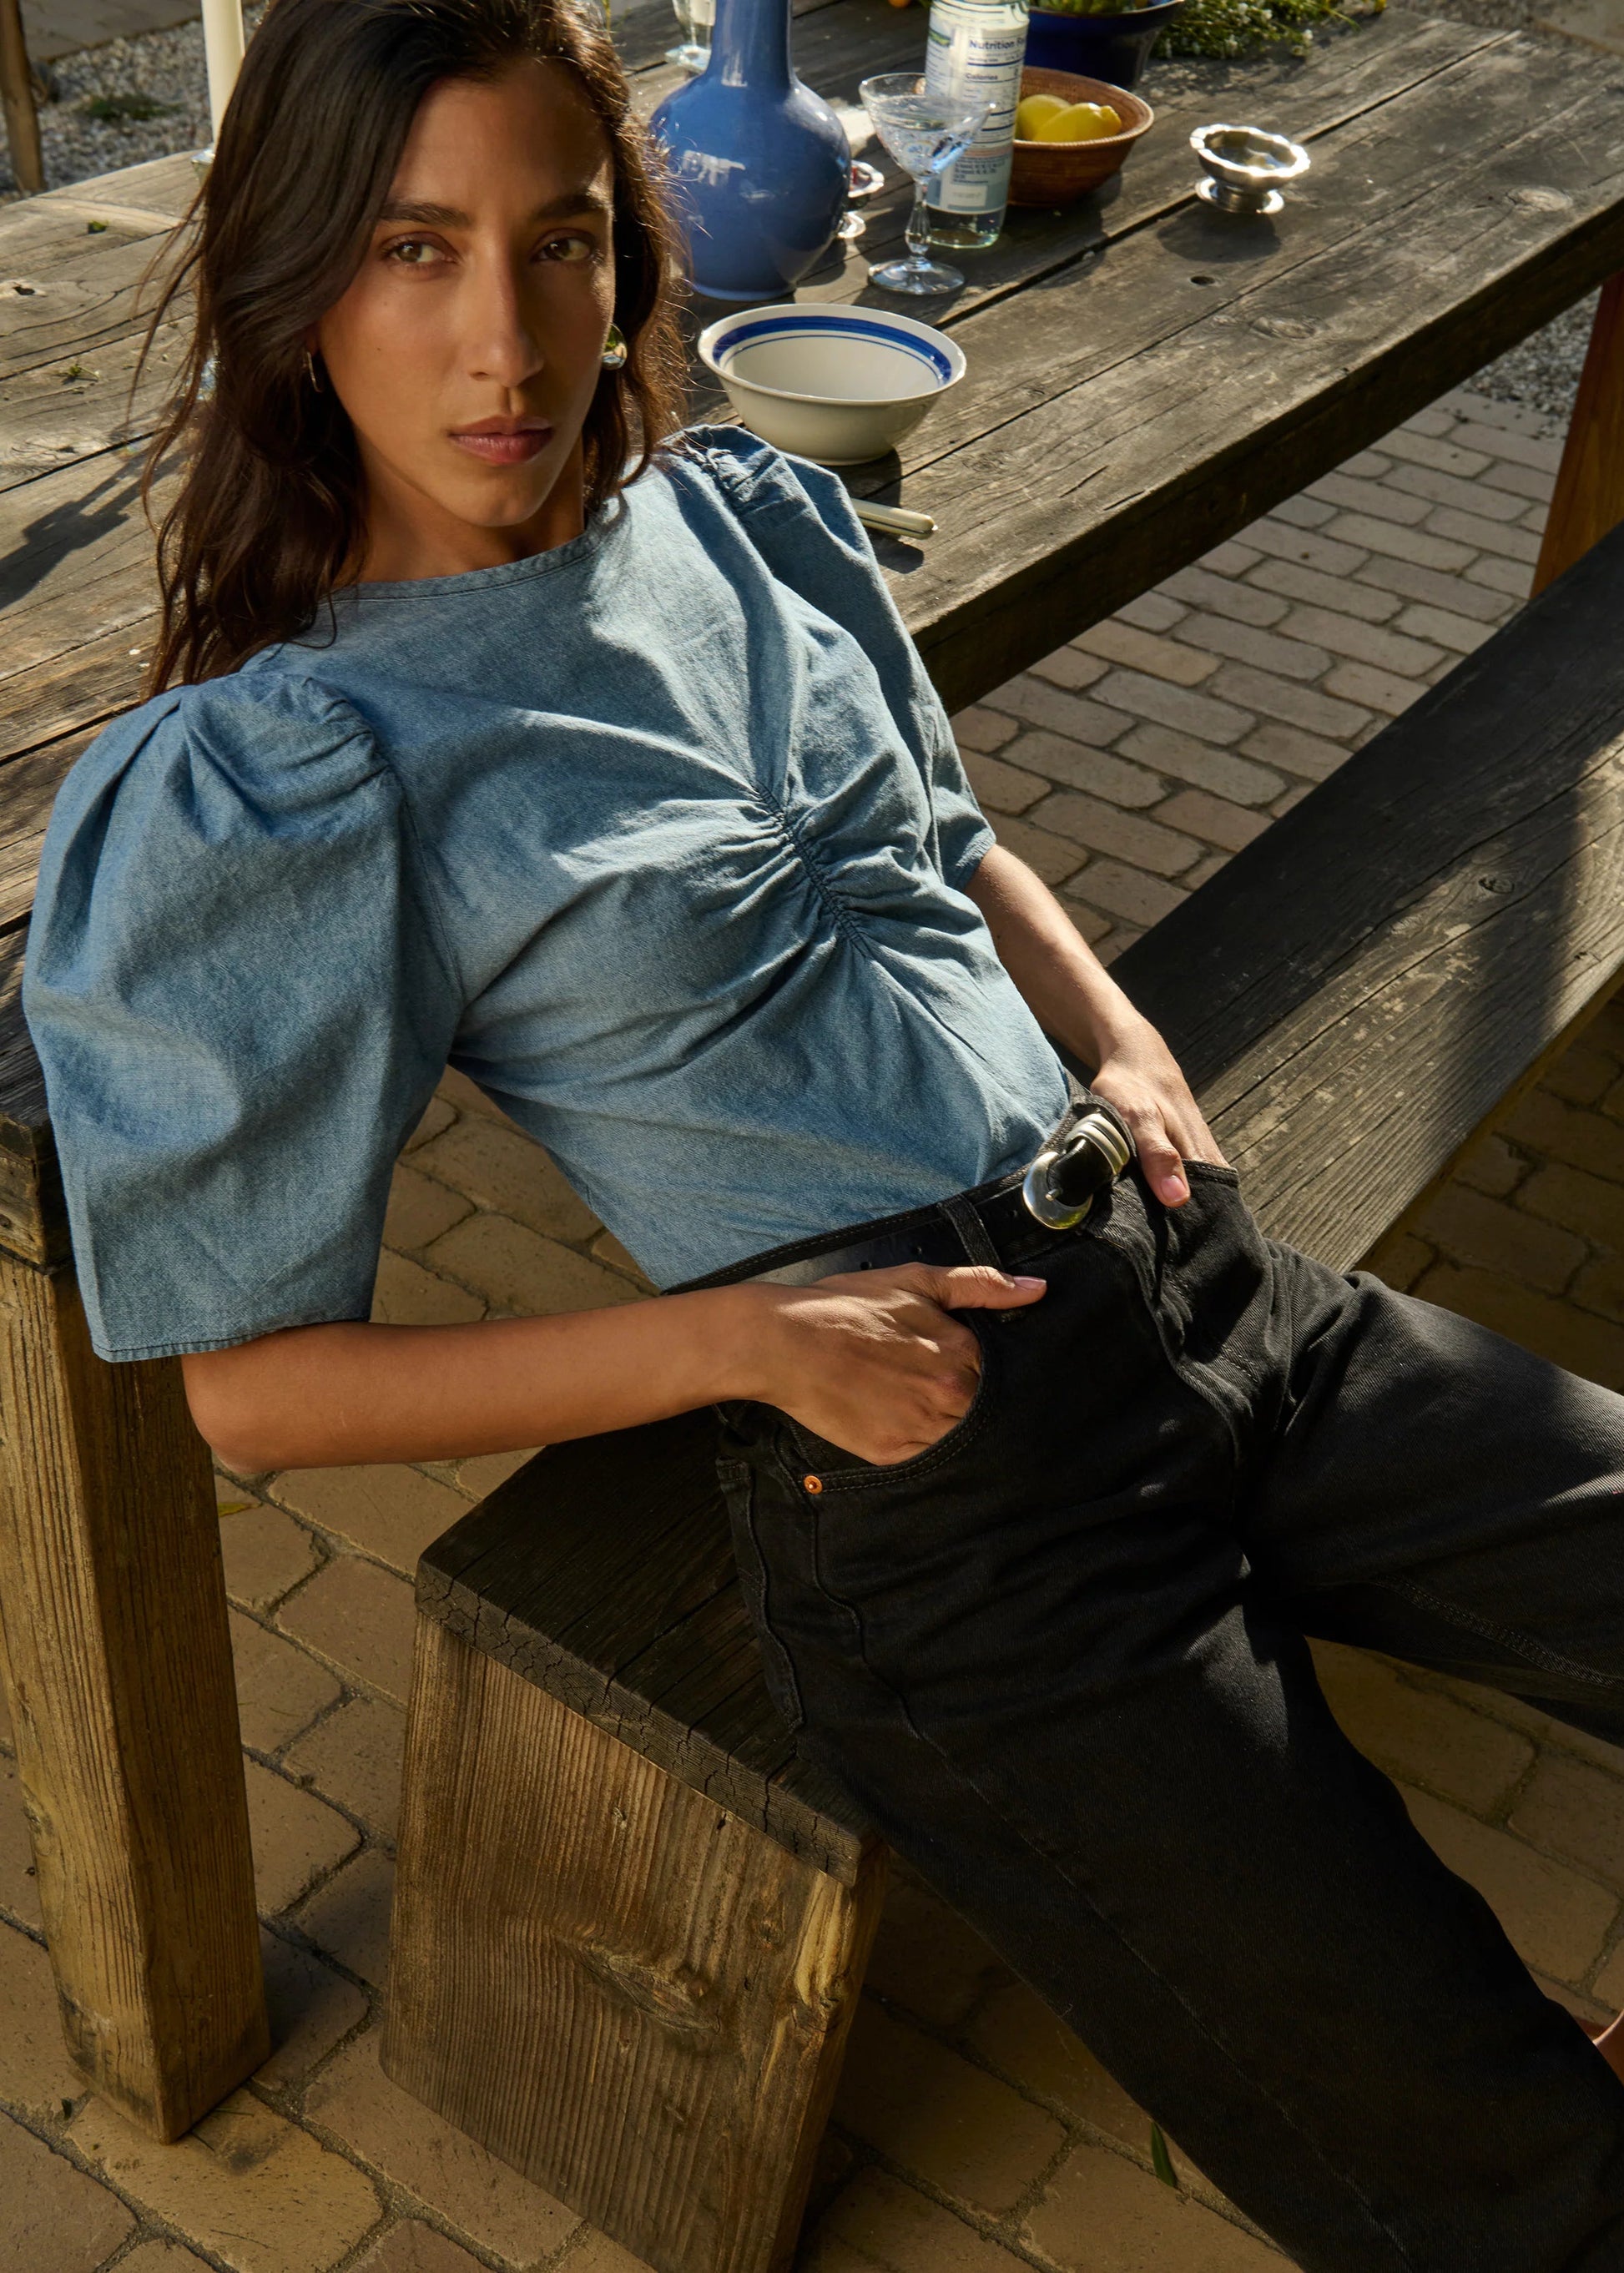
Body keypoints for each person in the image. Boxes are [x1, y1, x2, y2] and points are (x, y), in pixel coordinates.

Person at [22, 0, 1624, 2262]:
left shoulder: (735, 517)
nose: (506, 340)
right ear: (293, 286)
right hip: (966, 1504)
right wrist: (747, 1342)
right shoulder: (297, 768)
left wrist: (1113, 1028)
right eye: (411, 248)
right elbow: (255, 1395)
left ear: (628, 250)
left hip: (1218, 1294)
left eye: (560, 238)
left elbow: (945, 837)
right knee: (1507, 2164)